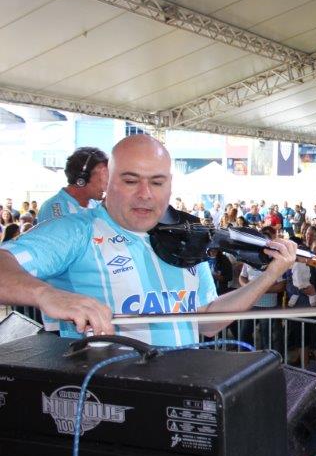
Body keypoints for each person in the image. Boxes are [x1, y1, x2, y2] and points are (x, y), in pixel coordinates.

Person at [0, 135, 297, 345]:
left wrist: (268, 276)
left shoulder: (187, 239)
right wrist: (45, 294)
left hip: (182, 390)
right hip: (108, 394)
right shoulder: (77, 230)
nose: (145, 194)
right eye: (130, 181)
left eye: (157, 182)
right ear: (108, 184)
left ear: (169, 185)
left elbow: (207, 322)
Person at [38, 147, 109, 224]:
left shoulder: (95, 204)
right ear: (82, 179)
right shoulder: (55, 208)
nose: (107, 183)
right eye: (102, 177)